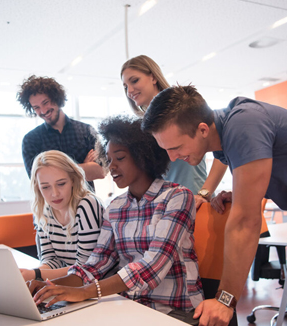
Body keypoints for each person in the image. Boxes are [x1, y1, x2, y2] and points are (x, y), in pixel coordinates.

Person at [141, 84, 287, 325]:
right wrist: (242, 194)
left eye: (176, 147)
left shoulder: (244, 124)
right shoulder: (226, 142)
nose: (172, 158)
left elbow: (245, 221)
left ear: (202, 129)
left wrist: (225, 300)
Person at [28, 116, 204, 324]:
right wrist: (50, 285)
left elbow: (152, 266)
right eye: (109, 159)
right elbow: (96, 264)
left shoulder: (177, 197)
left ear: (143, 156)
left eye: (119, 158)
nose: (111, 167)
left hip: (176, 312)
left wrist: (85, 292)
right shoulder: (116, 207)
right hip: (129, 308)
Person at [121, 55, 227, 204]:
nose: (129, 90)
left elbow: (222, 148)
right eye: (125, 86)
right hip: (168, 204)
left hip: (196, 198)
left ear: (153, 77)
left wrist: (204, 193)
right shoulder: (143, 128)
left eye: (134, 80)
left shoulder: (183, 108)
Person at [20, 150, 105, 282]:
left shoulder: (87, 205)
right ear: (38, 188)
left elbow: (86, 268)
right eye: (45, 187)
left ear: (73, 179)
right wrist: (31, 275)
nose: (54, 194)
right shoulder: (42, 211)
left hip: (97, 286)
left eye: (61, 184)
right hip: (71, 283)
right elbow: (51, 260)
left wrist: (36, 275)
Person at [17, 75, 105, 189]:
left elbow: (101, 171)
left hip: (87, 203)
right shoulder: (31, 140)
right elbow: (37, 181)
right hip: (53, 206)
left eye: (45, 102)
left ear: (56, 98)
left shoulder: (87, 131)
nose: (43, 110)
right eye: (36, 107)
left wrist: (55, 173)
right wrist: (84, 167)